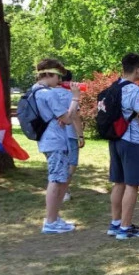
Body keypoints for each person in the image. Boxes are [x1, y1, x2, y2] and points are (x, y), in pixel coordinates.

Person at [107, 53, 139, 240]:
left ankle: (115, 223)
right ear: (137, 69)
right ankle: (125, 227)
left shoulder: (114, 86)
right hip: (131, 141)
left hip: (115, 139)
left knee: (119, 182)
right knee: (132, 184)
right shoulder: (133, 89)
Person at [31, 59, 82, 233]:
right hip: (55, 141)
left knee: (59, 178)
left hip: (47, 140)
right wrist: (75, 98)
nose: (60, 81)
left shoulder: (35, 90)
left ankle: (54, 218)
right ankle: (51, 222)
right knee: (56, 180)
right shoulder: (48, 94)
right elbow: (67, 119)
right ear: (48, 74)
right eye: (58, 76)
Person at [61, 70, 84, 202]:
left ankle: (61, 189)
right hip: (70, 134)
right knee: (72, 163)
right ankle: (64, 190)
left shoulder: (52, 93)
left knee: (61, 162)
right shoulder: (71, 95)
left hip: (56, 134)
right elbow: (75, 116)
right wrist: (80, 135)